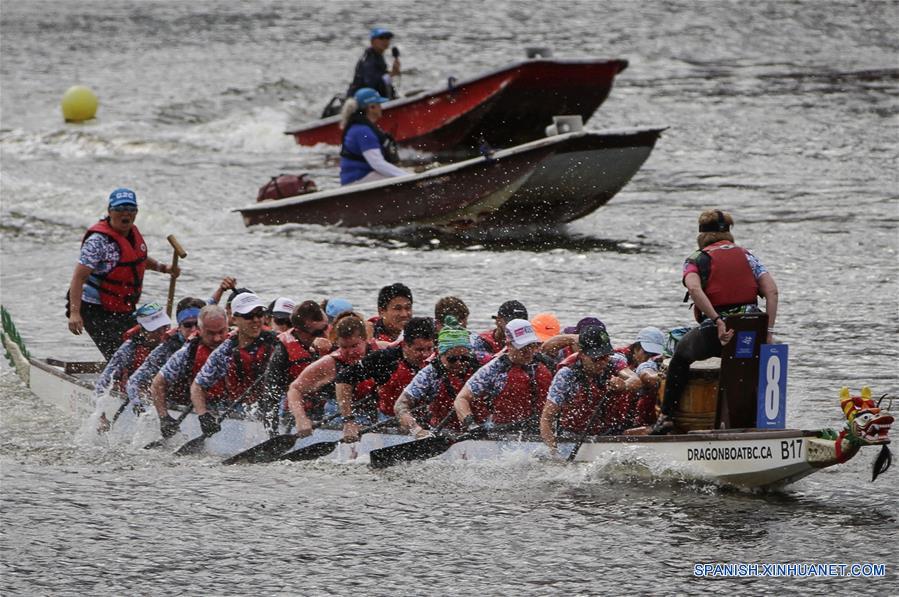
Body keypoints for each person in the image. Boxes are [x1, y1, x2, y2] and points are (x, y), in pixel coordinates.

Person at [652, 210, 779, 435]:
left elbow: (693, 288)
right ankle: (757, 419)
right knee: (750, 364)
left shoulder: (697, 259)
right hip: (752, 328)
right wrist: (768, 331)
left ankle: (667, 417)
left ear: (702, 234)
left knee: (680, 355)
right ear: (729, 233)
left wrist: (718, 320)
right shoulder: (747, 256)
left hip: (720, 331)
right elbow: (772, 291)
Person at [67, 188, 178, 359]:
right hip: (93, 308)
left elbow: (138, 259)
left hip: (122, 307)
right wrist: (75, 312)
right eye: (119, 209)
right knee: (121, 355)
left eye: (130, 209)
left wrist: (163, 268)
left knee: (143, 347)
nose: (125, 214)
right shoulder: (97, 242)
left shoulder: (132, 235)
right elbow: (78, 278)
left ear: (136, 212)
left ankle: (138, 379)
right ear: (109, 211)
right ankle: (116, 382)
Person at [539, 326, 638, 455]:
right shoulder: (566, 375)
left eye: (605, 356)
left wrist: (623, 385)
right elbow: (546, 419)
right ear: (582, 354)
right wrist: (554, 453)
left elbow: (635, 379)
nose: (602, 362)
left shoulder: (614, 362)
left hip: (609, 433)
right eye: (596, 358)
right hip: (573, 434)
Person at [190, 292, 278, 436]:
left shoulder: (278, 341)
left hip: (275, 406)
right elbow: (197, 387)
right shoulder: (225, 351)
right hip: (240, 409)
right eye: (249, 316)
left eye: (260, 314)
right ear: (235, 319)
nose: (256, 320)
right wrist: (203, 416)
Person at [335, 317, 436, 441]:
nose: (425, 355)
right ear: (405, 345)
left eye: (429, 349)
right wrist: (348, 421)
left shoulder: (439, 359)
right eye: (419, 350)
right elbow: (343, 379)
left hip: (428, 421)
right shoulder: (385, 359)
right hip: (390, 421)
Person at [285, 313, 376, 438]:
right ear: (337, 343)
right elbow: (294, 389)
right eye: (344, 347)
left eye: (355, 346)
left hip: (372, 413)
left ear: (366, 340)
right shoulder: (329, 363)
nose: (350, 352)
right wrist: (301, 419)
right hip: (337, 415)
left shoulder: (380, 351)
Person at [454, 319, 553, 432]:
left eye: (531, 346)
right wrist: (472, 426)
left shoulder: (547, 364)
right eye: (523, 347)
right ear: (509, 345)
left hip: (538, 428)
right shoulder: (493, 369)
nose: (528, 352)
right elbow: (461, 399)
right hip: (501, 430)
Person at [395, 316, 483, 437]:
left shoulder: (482, 367)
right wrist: (417, 430)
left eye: (464, 358)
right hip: (442, 431)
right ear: (440, 354)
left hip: (480, 428)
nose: (459, 363)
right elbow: (400, 406)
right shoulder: (429, 374)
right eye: (452, 359)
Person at [151, 305, 229, 439]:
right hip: (201, 406)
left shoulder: (237, 343)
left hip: (231, 405)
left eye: (221, 332)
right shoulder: (186, 353)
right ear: (199, 330)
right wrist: (164, 418)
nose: (217, 338)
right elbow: (157, 384)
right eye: (211, 333)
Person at [260, 300, 332, 432]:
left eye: (326, 328)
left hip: (327, 405)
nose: (325, 335)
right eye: (317, 332)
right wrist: (272, 433)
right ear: (299, 331)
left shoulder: (337, 343)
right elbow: (271, 396)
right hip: (293, 407)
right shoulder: (282, 352)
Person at [124, 297, 205, 410]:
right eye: (188, 325)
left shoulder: (220, 340)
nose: (194, 329)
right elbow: (133, 382)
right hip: (177, 403)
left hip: (214, 403)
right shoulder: (166, 349)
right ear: (179, 327)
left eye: (198, 324)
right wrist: (138, 406)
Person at [93, 302, 172, 402]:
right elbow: (105, 378)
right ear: (143, 331)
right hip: (133, 392)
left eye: (165, 327)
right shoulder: (130, 347)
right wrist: (100, 408)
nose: (162, 333)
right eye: (156, 330)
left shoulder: (175, 342)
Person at [339, 88, 408, 185]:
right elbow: (377, 163)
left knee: (405, 172)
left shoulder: (362, 127)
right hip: (357, 180)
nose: (381, 107)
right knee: (404, 178)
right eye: (379, 104)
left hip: (364, 176)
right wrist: (407, 177)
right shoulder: (363, 131)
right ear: (371, 107)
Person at [615, 326, 665, 427]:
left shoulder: (657, 362)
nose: (649, 358)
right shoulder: (619, 357)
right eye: (646, 353)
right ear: (635, 348)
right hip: (618, 412)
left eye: (654, 354)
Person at [346, 27, 400, 100]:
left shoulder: (378, 56)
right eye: (381, 38)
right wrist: (391, 74)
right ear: (372, 41)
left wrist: (393, 72)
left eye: (387, 38)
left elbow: (380, 76)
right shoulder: (368, 60)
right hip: (361, 101)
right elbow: (372, 83)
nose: (385, 41)